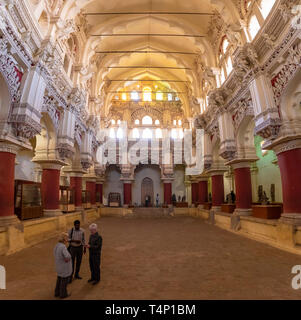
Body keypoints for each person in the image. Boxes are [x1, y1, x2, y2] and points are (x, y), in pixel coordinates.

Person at [54, 232, 72, 299]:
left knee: (59, 279)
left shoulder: (57, 245)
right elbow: (68, 256)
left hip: (58, 266)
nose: (68, 239)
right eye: (67, 238)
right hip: (64, 267)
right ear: (64, 239)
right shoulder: (63, 247)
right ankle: (63, 294)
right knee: (64, 281)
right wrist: (67, 258)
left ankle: (57, 292)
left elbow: (55, 254)